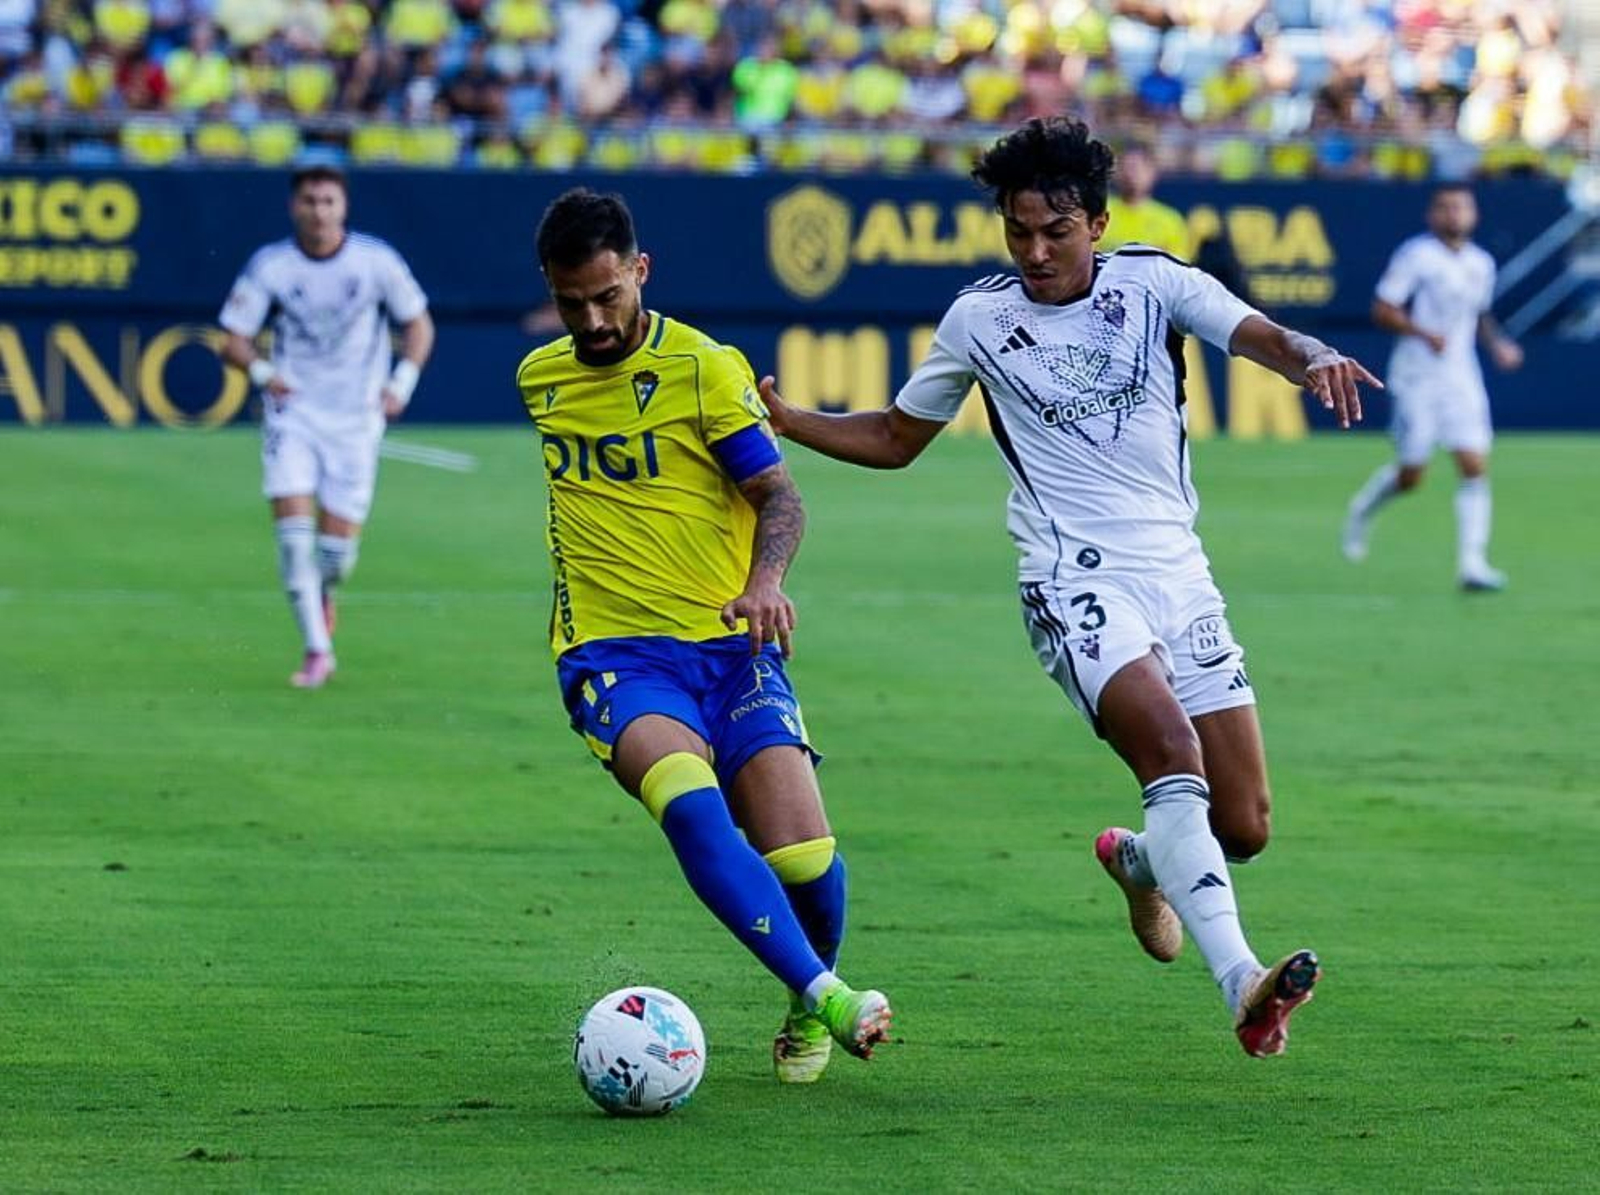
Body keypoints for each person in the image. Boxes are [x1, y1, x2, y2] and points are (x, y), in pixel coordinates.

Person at [759, 117, 1382, 1058]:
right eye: (1018, 232)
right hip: (1072, 577)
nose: (1036, 251)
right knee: (1170, 751)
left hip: (1180, 573)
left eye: (1055, 231)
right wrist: (788, 418)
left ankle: (1142, 862)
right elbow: (894, 437)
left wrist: (1315, 355)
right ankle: (1242, 984)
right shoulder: (979, 320)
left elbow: (1257, 333)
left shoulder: (1154, 283)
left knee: (1243, 823)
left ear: (1097, 223)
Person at [516, 188, 891, 1083]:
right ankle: (831, 995)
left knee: (807, 859)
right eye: (572, 303)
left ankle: (803, 996)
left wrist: (765, 583)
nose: (593, 320)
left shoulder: (705, 369)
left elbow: (780, 495)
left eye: (608, 296)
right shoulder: (541, 379)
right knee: (689, 804)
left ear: (641, 270)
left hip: (729, 648)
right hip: (613, 653)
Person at [220, 165, 435, 688]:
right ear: (294, 207)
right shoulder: (272, 266)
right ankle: (318, 651)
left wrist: (401, 383)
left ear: (343, 207)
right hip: (293, 414)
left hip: (357, 418)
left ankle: (323, 593)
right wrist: (264, 374)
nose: (319, 211)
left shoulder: (375, 262)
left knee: (336, 557)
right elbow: (233, 338)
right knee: (294, 542)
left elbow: (419, 324)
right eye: (310, 201)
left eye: (328, 201)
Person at [1342, 183, 1524, 591]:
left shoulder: (1481, 263)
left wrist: (1498, 345)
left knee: (1474, 463)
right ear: (1432, 215)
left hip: (1461, 375)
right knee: (1412, 474)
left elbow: (1479, 314)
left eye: (1461, 207)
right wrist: (1422, 333)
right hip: (1416, 376)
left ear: (1474, 214)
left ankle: (1472, 564)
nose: (1454, 214)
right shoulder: (1417, 256)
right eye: (1445, 207)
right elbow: (1383, 309)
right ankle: (1363, 509)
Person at [1100, 141, 1191, 259]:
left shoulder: (1170, 220)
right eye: (1125, 167)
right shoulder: (1099, 214)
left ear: (1152, 172)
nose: (1130, 174)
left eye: (1136, 168)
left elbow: (1180, 262)